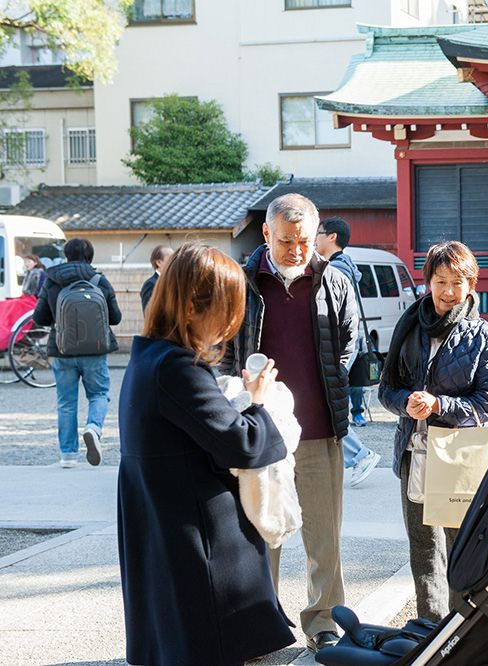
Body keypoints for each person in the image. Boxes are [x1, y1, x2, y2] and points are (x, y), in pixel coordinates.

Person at [117, 242, 294, 666]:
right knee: (207, 646)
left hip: (165, 523)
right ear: (198, 306)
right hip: (196, 536)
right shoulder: (177, 368)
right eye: (228, 310)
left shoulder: (148, 358)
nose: (231, 324)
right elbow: (243, 444)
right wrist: (259, 401)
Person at [221, 193, 357, 653]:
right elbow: (223, 350)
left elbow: (348, 345)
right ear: (266, 235)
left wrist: (328, 383)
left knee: (325, 536)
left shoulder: (333, 280)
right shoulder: (241, 282)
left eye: (303, 241)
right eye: (286, 242)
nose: (297, 250)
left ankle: (322, 620)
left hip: (319, 426)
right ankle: (262, 620)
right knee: (262, 532)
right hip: (261, 431)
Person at [379, 240, 488, 622]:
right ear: (427, 281)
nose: (448, 292)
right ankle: (430, 630)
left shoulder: (484, 336)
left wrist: (439, 405)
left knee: (461, 548)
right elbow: (386, 390)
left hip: (458, 456)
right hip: (413, 451)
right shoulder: (409, 326)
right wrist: (406, 403)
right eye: (440, 281)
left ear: (471, 284)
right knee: (423, 549)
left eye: (457, 282)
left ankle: (464, 631)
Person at [32, 238, 121, 468]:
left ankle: (68, 456)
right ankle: (93, 427)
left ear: (66, 255)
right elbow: (116, 318)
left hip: (62, 350)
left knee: (66, 403)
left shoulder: (52, 281)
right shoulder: (99, 280)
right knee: (99, 394)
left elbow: (40, 318)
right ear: (89, 256)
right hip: (95, 350)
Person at [315, 216, 381, 487]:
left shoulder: (336, 270)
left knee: (326, 406)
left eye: (318, 232)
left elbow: (332, 316)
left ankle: (359, 455)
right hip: (344, 347)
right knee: (327, 405)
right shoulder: (344, 266)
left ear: (332, 237)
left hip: (337, 348)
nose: (314, 238)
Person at [140, 245, 174, 313]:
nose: (174, 262)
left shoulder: (173, 282)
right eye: (171, 259)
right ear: (158, 262)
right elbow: (148, 314)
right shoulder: (150, 284)